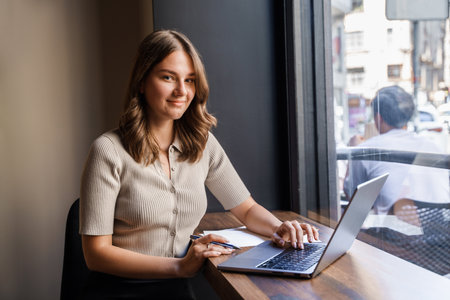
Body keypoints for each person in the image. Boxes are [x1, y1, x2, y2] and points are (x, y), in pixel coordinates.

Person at [79, 30, 319, 299]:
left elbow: (247, 208)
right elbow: (96, 255)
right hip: (119, 291)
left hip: (178, 287)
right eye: (168, 77)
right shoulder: (108, 151)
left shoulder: (202, 143)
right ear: (142, 82)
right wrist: (180, 266)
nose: (182, 91)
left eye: (190, 80)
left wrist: (279, 228)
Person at [344, 86, 449, 215]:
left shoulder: (367, 150)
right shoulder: (433, 147)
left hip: (393, 232)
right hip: (441, 232)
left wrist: (353, 151)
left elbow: (354, 200)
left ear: (378, 118)